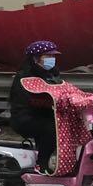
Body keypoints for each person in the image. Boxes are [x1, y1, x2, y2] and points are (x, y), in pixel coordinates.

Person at [9, 40, 62, 172]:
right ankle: (41, 164)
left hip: (48, 115)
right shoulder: (24, 77)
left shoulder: (53, 75)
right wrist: (46, 102)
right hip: (26, 117)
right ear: (35, 58)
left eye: (53, 56)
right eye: (48, 56)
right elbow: (26, 100)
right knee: (51, 129)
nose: (52, 59)